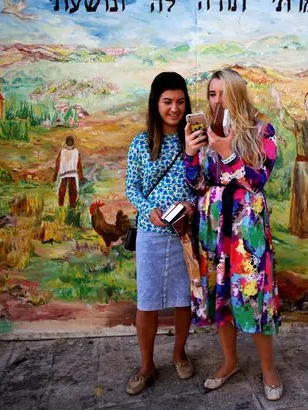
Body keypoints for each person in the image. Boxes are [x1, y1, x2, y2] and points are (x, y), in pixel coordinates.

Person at [183, 69, 283, 401]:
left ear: (238, 94)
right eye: (212, 94)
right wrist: (191, 154)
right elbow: (197, 184)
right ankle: (230, 361)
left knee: (253, 296)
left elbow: (258, 180)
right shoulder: (207, 131)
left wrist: (228, 152)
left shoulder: (262, 130)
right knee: (219, 294)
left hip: (246, 229)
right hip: (212, 226)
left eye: (223, 93)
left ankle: (268, 368)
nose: (217, 100)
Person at [124, 72, 197, 395]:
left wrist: (190, 205)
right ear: (155, 103)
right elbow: (132, 187)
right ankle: (146, 364)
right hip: (150, 234)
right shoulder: (141, 143)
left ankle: (180, 353)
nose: (174, 109)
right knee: (148, 301)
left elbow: (203, 182)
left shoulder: (194, 141)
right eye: (167, 102)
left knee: (184, 300)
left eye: (181, 102)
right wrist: (147, 210)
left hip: (184, 234)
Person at [53, 135, 85, 208]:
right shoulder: (76, 152)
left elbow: (57, 164)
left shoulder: (63, 151)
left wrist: (55, 176)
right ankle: (70, 206)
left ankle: (61, 205)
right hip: (72, 174)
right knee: (71, 191)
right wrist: (81, 177)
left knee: (64, 190)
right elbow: (79, 165)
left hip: (65, 174)